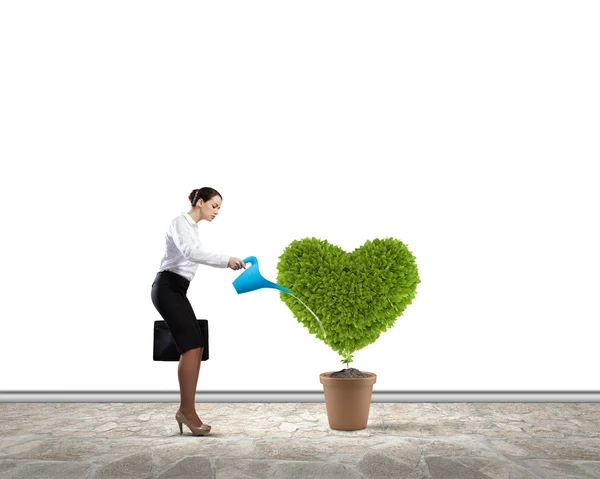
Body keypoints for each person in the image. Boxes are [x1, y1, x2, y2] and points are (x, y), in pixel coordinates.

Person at [151, 187, 245, 436]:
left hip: (176, 289)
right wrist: (227, 259)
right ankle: (187, 411)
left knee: (197, 345)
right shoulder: (179, 223)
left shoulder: (192, 229)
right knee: (191, 346)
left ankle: (187, 410)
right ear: (200, 202)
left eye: (219, 209)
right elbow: (191, 253)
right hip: (167, 287)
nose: (216, 212)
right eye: (214, 206)